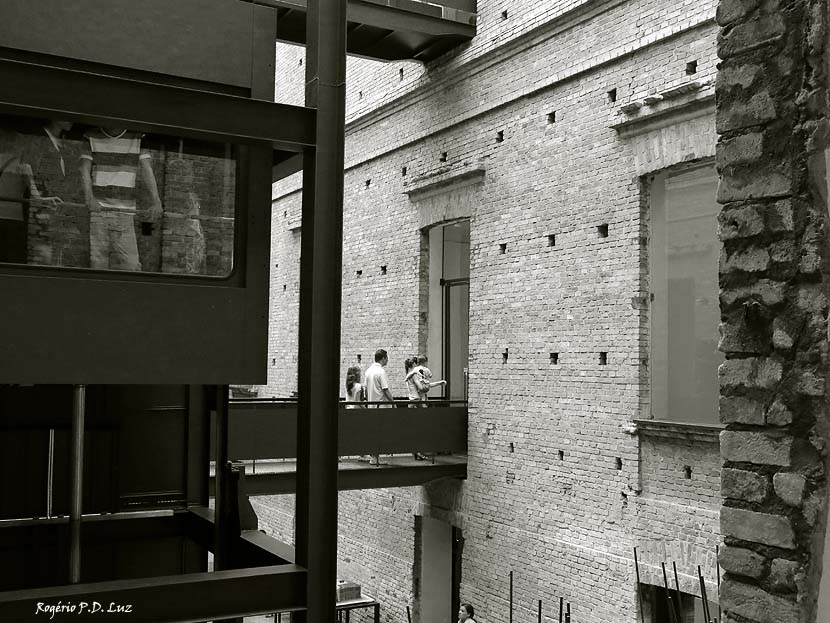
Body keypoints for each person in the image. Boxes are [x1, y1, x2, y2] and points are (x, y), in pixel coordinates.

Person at [80, 126, 162, 271]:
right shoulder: (91, 135)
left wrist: (156, 201)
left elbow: (147, 169)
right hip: (100, 210)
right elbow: (84, 168)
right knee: (98, 265)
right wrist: (90, 198)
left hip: (125, 212)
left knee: (131, 266)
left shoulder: (138, 137)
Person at [364, 348, 393, 466]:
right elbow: (385, 390)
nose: (388, 360)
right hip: (381, 407)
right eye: (387, 358)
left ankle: (373, 456)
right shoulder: (381, 372)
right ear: (383, 358)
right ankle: (376, 458)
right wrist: (393, 403)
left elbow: (366, 390)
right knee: (380, 433)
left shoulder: (368, 371)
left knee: (373, 432)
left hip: (371, 407)